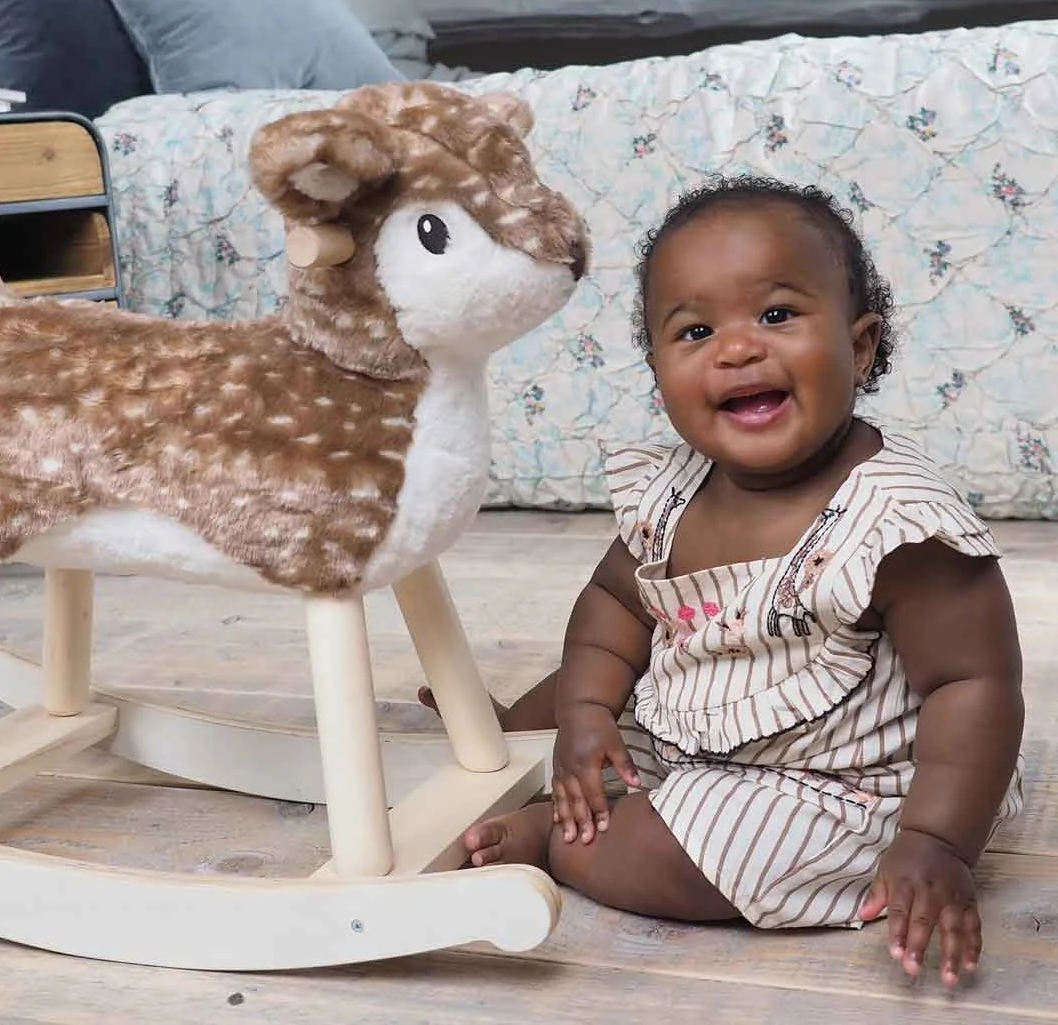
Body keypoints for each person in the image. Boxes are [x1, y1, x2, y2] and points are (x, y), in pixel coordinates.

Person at [424, 175, 1026, 989]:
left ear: (860, 345)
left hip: (833, 783)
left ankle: (555, 842)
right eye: (695, 329)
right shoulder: (672, 489)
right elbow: (613, 606)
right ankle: (528, 739)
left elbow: (972, 686)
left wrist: (937, 839)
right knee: (597, 682)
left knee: (682, 851)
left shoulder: (897, 526)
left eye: (776, 314)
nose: (736, 348)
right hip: (695, 719)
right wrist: (584, 713)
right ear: (659, 369)